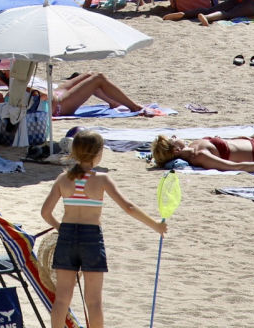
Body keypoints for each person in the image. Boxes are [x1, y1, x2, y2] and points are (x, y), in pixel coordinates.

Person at [40, 131, 167, 328]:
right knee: (94, 301)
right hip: (91, 238)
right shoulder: (102, 179)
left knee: (62, 299)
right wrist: (155, 225)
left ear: (74, 152)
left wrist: (61, 229)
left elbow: (45, 213)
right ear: (98, 153)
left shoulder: (63, 179)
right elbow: (128, 207)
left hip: (67, 237)